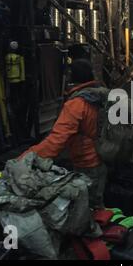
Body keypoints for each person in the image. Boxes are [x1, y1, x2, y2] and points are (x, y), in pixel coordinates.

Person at [22, 59, 108, 209]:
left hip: (86, 164)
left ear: (71, 77)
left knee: (87, 209)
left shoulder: (77, 104)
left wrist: (26, 158)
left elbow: (56, 141)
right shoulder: (99, 95)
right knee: (97, 204)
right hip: (102, 159)